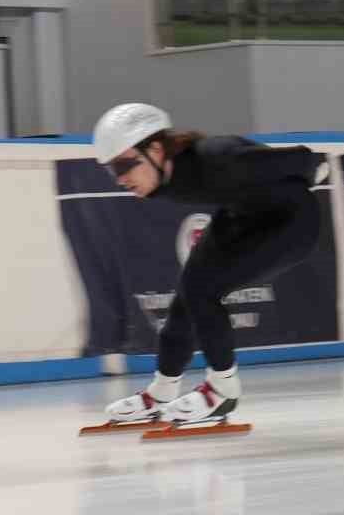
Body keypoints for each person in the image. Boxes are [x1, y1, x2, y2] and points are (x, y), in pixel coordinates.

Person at [94, 102, 325, 426]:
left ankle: (223, 390)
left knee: (203, 290)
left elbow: (299, 158)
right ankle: (161, 392)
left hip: (290, 223)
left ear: (156, 150)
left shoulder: (217, 159)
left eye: (123, 167)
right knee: (188, 293)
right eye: (110, 170)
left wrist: (312, 169)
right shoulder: (161, 176)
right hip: (242, 215)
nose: (120, 179)